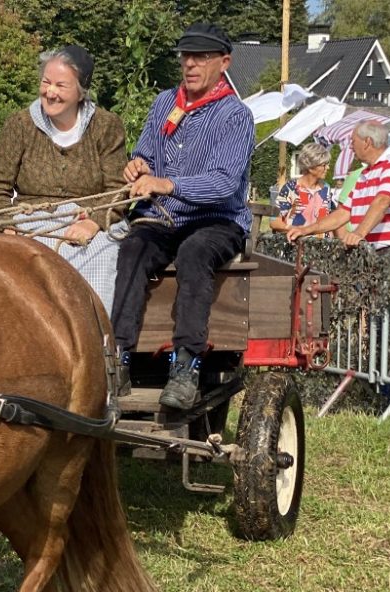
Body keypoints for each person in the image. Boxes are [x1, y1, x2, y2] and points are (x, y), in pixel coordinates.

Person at [109, 22, 255, 410]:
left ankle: (186, 365)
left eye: (201, 57)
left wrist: (167, 184)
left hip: (218, 219)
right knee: (132, 248)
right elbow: (147, 155)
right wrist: (138, 166)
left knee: (193, 253)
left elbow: (224, 184)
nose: (190, 64)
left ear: (223, 62)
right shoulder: (163, 103)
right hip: (165, 216)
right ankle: (117, 360)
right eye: (186, 57)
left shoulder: (236, 116)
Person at [0, 45, 127, 313]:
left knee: (101, 253)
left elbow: (118, 188)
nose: (50, 92)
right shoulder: (20, 125)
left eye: (61, 85)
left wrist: (95, 223)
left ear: (81, 91)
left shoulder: (106, 125)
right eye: (46, 82)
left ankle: (96, 341)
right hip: (32, 220)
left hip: (87, 219)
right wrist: (5, 221)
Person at [286, 120, 390, 250]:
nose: (351, 147)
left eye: (353, 142)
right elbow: (343, 212)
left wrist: (359, 233)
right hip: (372, 249)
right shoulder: (365, 173)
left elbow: (382, 201)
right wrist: (306, 230)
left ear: (367, 142)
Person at [269, 142, 334, 232]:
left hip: (322, 244)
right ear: (310, 167)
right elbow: (275, 222)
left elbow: (331, 219)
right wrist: (297, 230)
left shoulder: (326, 188)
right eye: (324, 165)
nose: (328, 168)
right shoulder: (290, 188)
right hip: (297, 243)